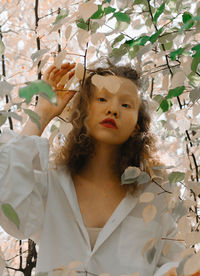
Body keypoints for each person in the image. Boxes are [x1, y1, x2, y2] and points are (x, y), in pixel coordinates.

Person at [0, 61, 184, 276]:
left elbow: (171, 261)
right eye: (102, 99)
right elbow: (10, 211)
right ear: (84, 112)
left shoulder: (153, 193)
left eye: (126, 105)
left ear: (137, 125)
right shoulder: (51, 182)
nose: (113, 109)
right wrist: (42, 113)